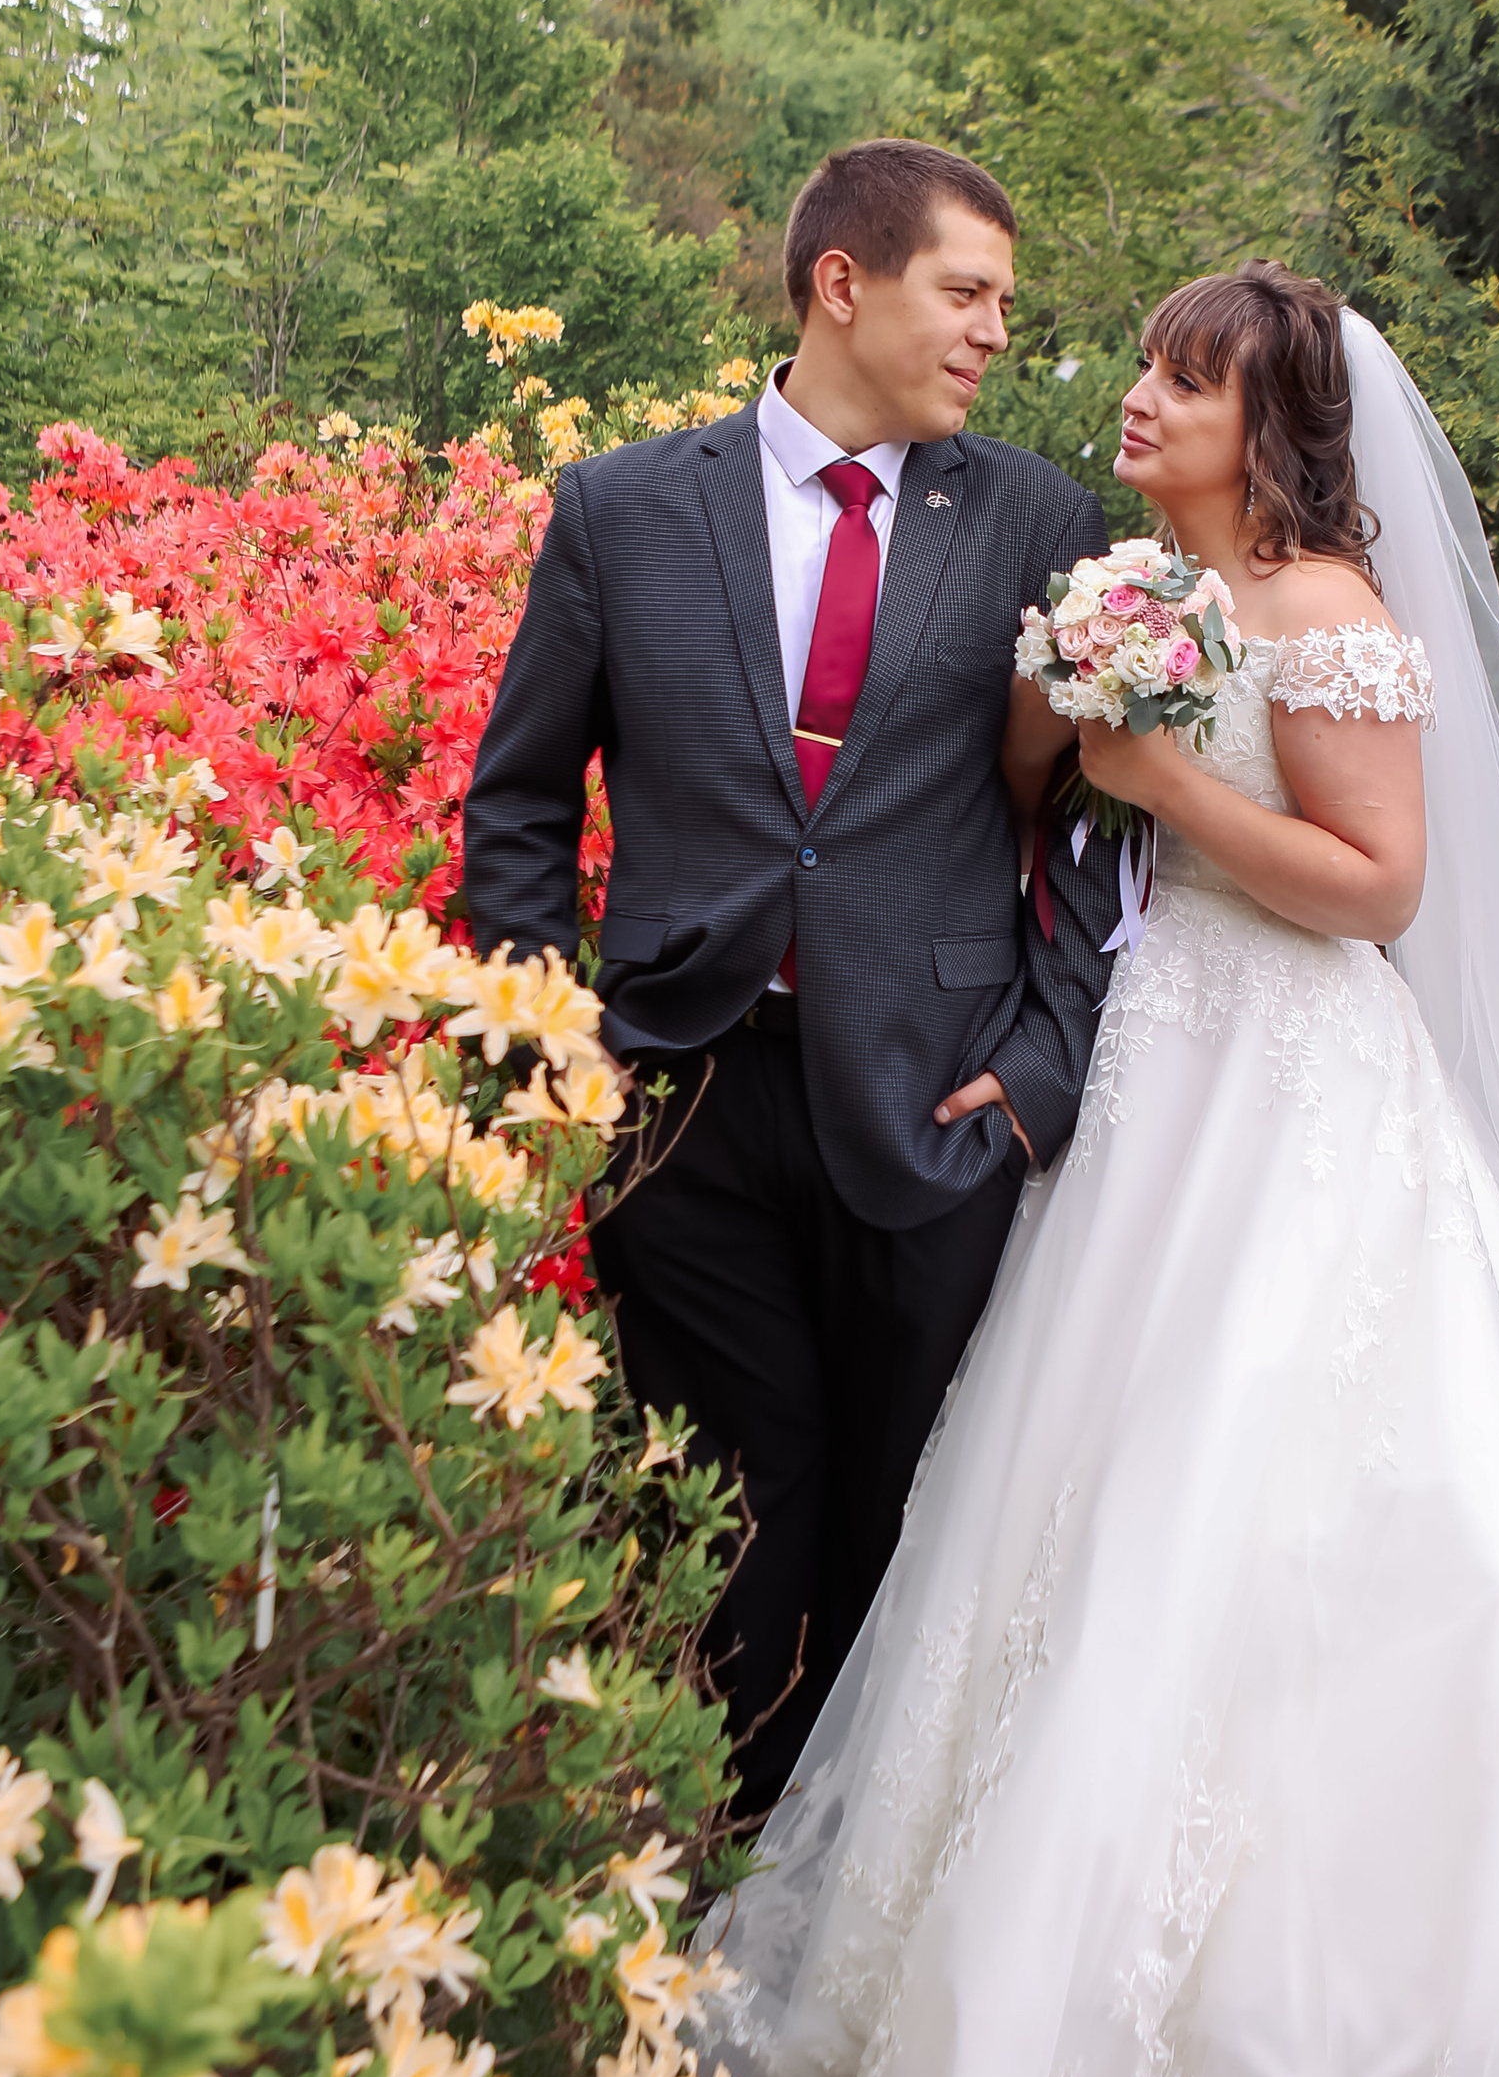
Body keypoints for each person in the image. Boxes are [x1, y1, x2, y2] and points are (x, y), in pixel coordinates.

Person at [705, 264, 1499, 2077]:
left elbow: (1374, 888)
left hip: (1302, 1114)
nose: (1131, 391)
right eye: (1142, 357)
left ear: (1268, 418)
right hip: (1163, 1108)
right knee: (1070, 1508)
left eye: (1179, 373)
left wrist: (1156, 763)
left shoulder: (1330, 613)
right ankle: (977, 1995)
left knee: (1250, 1536)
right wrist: (1071, 707)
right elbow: (1044, 799)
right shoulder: (1148, 588)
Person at [461, 139, 1124, 1809]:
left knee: (905, 1515)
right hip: (683, 1096)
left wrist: (1045, 1071)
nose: (994, 335)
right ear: (844, 284)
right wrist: (557, 1042)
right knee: (730, 1508)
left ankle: (850, 1915)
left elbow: (1100, 815)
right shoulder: (622, 508)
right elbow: (525, 798)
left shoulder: (1037, 515)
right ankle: (703, 1878)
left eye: (1004, 305)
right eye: (964, 294)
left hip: (937, 1095)